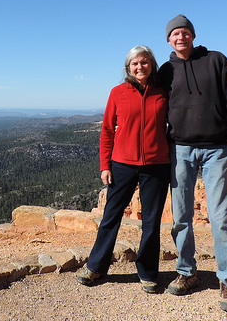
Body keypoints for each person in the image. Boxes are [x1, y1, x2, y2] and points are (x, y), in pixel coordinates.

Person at [159, 14, 227, 313]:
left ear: (193, 35)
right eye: (175, 34)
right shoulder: (165, 70)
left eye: (185, 32)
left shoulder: (217, 61)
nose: (180, 37)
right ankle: (187, 272)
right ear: (169, 40)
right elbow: (154, 107)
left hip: (218, 150)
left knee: (223, 217)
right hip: (180, 150)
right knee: (181, 216)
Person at [77, 45, 170, 294]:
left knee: (151, 222)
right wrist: (104, 165)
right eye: (135, 63)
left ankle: (148, 273)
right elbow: (107, 130)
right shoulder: (118, 93)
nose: (140, 67)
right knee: (111, 217)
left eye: (144, 62)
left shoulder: (163, 92)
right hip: (122, 164)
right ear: (128, 68)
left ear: (151, 64)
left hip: (156, 165)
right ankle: (96, 266)